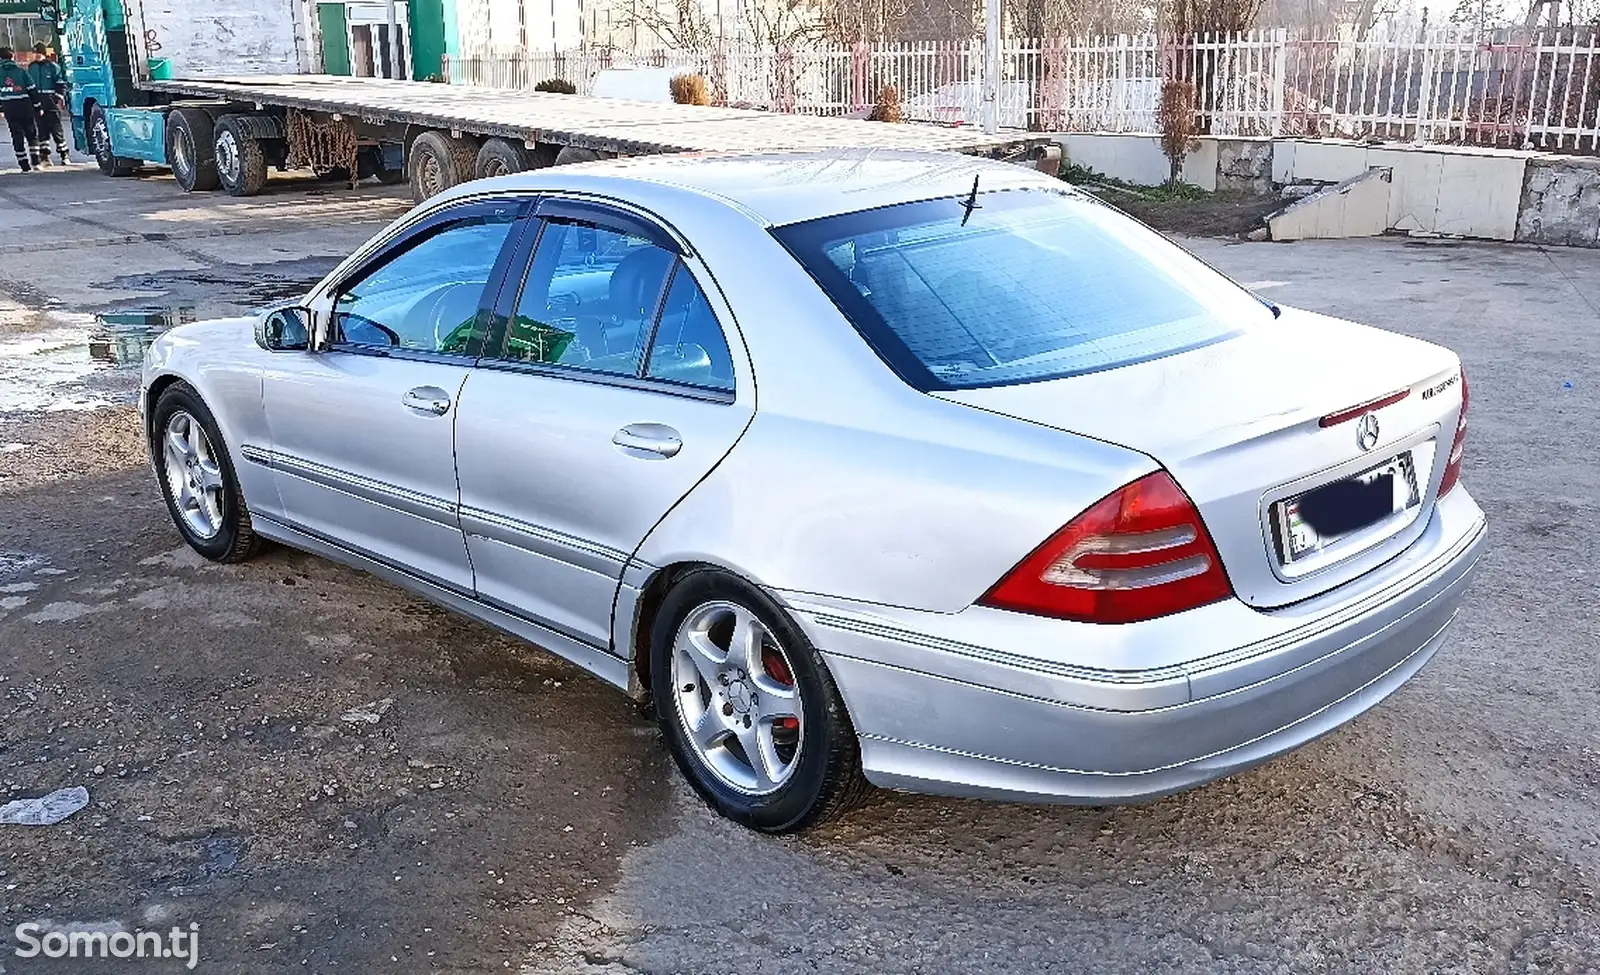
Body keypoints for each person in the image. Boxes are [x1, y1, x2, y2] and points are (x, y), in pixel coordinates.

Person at [0, 46, 41, 172]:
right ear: (11, 57)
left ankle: (24, 165)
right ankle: (36, 162)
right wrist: (37, 105)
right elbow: (32, 89)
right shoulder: (21, 71)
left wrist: (1, 109)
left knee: (17, 136)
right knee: (31, 135)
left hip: (10, 108)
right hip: (25, 105)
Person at [27, 43, 69, 165]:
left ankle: (64, 155)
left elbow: (61, 84)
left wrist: (56, 98)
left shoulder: (52, 67)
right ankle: (45, 157)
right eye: (35, 53)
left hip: (51, 104)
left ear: (44, 53)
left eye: (39, 53)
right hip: (38, 103)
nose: (37, 55)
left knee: (57, 131)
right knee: (42, 131)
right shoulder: (32, 67)